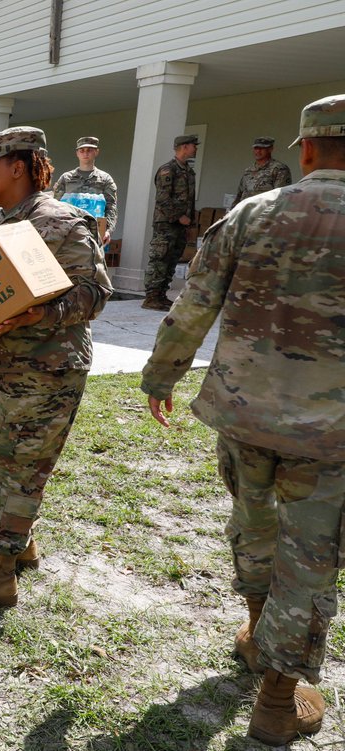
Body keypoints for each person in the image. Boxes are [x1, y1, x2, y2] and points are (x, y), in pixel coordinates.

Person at [140, 94, 345, 747]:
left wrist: (160, 376)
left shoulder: (251, 212)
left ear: (306, 149)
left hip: (244, 415)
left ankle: (259, 632)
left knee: (252, 523)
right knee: (309, 558)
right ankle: (278, 701)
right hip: (329, 432)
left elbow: (193, 305)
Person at [0, 127, 112, 609]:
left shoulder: (63, 221)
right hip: (2, 364)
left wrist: (45, 312)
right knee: (4, 459)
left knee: (22, 468)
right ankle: (19, 543)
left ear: (18, 166)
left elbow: (96, 292)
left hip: (47, 369)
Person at [142, 134, 199, 311]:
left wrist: (189, 223)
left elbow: (189, 200)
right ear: (184, 147)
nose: (195, 148)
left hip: (181, 225)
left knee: (172, 259)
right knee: (160, 259)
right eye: (193, 145)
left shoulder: (188, 171)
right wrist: (179, 216)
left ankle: (161, 295)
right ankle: (151, 297)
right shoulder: (168, 170)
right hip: (166, 224)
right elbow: (163, 199)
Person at [51, 136, 118, 245]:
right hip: (68, 232)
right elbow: (55, 205)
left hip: (95, 233)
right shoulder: (66, 178)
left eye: (89, 150)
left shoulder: (105, 179)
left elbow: (111, 207)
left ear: (96, 152)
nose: (85, 153)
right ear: (77, 153)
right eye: (82, 150)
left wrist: (107, 230)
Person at [232, 136, 292, 206]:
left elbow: (280, 196)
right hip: (245, 213)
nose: (258, 151)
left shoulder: (279, 169)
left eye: (262, 148)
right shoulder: (248, 171)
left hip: (264, 213)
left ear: (270, 149)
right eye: (256, 148)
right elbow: (240, 194)